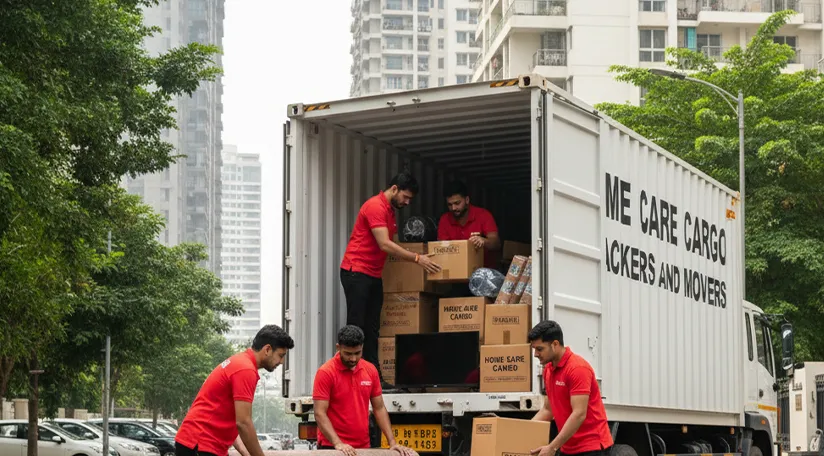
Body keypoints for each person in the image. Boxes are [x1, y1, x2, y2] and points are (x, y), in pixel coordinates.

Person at [340, 171, 441, 386]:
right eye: (405, 197)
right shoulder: (375, 206)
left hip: (373, 275)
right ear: (394, 189)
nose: (406, 202)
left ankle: (373, 377)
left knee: (373, 328)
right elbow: (385, 244)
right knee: (356, 327)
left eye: (409, 199)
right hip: (356, 272)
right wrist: (417, 258)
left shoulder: (390, 211)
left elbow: (392, 244)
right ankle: (350, 377)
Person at [174, 325, 295, 456]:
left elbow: (234, 423)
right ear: (267, 349)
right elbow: (243, 422)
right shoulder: (245, 370)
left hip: (202, 444)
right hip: (199, 443)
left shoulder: (241, 362)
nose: (282, 362)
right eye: (280, 355)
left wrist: (245, 452)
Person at [313, 325, 416, 456]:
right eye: (348, 354)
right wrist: (338, 443)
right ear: (338, 348)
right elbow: (320, 413)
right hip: (332, 448)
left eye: (357, 353)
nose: (353, 359)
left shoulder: (370, 370)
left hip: (363, 446)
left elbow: (379, 408)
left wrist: (392, 442)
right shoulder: (326, 372)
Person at [528, 321, 613, 456]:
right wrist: (521, 431)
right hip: (568, 447)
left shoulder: (577, 368)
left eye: (539, 349)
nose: (535, 354)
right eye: (534, 349)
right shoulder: (549, 370)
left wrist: (552, 447)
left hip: (592, 447)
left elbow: (579, 414)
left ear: (555, 344)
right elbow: (547, 410)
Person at [437, 180, 501, 270]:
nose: (453, 208)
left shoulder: (483, 215)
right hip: (456, 273)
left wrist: (483, 241)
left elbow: (496, 243)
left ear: (467, 200)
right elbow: (441, 250)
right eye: (449, 205)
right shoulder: (444, 220)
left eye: (457, 203)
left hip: (484, 273)